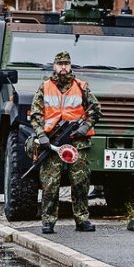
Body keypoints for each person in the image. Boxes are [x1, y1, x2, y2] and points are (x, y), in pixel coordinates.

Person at [30, 51, 102, 234]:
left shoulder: (81, 86)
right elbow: (35, 115)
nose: (63, 67)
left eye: (66, 64)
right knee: (50, 184)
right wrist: (41, 134)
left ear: (70, 66)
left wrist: (85, 127)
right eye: (60, 64)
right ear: (54, 66)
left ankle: (82, 219)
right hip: (52, 141)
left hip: (77, 142)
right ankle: (48, 221)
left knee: (80, 182)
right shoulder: (44, 87)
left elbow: (95, 109)